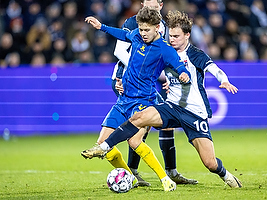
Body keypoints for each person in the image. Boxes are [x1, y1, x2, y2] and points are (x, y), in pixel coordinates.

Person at [85, 10, 243, 189]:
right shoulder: (163, 48)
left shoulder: (195, 54)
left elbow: (215, 69)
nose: (173, 39)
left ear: (187, 35)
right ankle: (105, 147)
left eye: (176, 36)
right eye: (171, 35)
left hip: (194, 113)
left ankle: (225, 174)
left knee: (210, 163)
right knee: (138, 119)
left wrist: (224, 80)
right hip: (172, 107)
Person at [82, 7, 191, 191]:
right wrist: (101, 26)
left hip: (144, 102)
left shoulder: (164, 49)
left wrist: (183, 74)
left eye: (146, 30)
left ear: (158, 27)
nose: (143, 33)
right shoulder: (136, 36)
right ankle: (131, 178)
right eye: (140, 29)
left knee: (134, 142)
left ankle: (165, 178)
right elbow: (122, 34)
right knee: (102, 144)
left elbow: (180, 66)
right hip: (124, 100)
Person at [111, 0, 197, 186]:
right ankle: (134, 171)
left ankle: (170, 171)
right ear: (142, 4)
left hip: (149, 83)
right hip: (129, 81)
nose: (150, 8)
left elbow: (164, 55)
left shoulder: (163, 26)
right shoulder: (133, 23)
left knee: (162, 124)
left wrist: (169, 77)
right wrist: (140, 72)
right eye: (146, 4)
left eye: (154, 4)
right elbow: (120, 51)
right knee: (138, 124)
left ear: (160, 4)